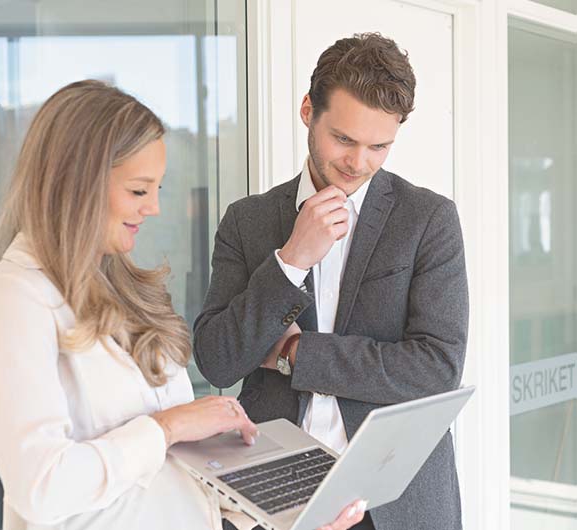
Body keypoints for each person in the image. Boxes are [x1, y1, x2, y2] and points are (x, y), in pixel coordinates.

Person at [0, 80, 365, 530]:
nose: (152, 208)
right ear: (75, 185)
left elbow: (172, 478)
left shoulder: (126, 292)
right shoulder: (13, 303)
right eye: (137, 190)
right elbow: (42, 490)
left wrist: (281, 518)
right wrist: (169, 426)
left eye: (157, 189)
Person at [193, 33, 469, 530]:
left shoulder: (428, 219)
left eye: (379, 145)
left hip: (392, 503)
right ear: (307, 111)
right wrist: (290, 261)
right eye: (343, 139)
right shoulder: (248, 221)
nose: (358, 163)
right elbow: (217, 358)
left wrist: (298, 355)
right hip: (272, 499)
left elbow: (436, 368)